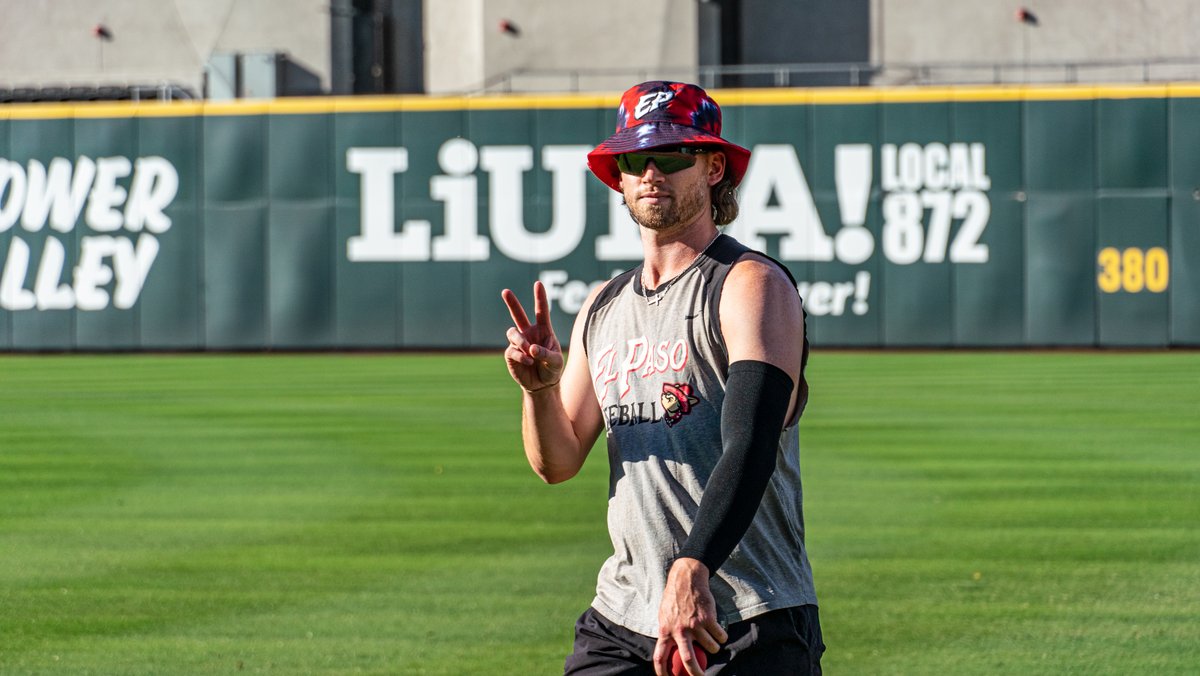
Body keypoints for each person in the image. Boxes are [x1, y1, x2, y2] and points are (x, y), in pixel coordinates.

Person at [502, 81, 822, 675]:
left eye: (672, 156)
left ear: (713, 168)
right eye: (634, 159)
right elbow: (558, 461)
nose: (652, 172)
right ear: (618, 178)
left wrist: (692, 564)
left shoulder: (749, 285)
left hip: (747, 615)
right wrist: (539, 390)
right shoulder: (603, 305)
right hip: (625, 615)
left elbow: (750, 442)